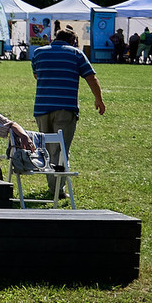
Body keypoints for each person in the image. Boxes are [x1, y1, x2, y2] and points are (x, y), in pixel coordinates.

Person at [30, 29, 106, 193]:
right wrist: (98, 99)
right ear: (73, 41)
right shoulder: (76, 54)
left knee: (48, 148)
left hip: (42, 107)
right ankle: (57, 188)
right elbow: (91, 77)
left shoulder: (38, 53)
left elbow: (37, 75)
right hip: (66, 107)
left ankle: (53, 185)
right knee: (61, 148)